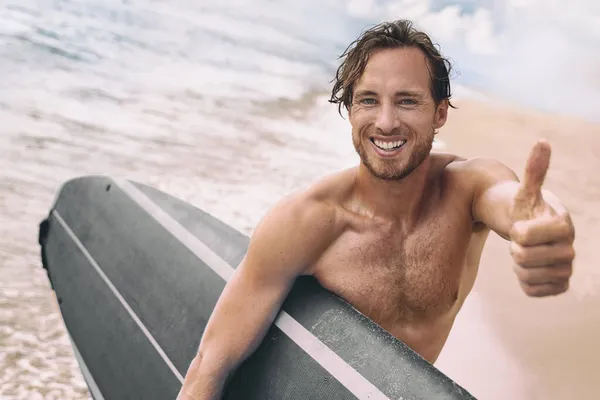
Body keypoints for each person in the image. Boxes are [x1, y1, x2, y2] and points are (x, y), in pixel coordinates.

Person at [177, 19, 575, 399]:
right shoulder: (307, 221)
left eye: (407, 101)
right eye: (369, 100)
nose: (386, 122)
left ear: (438, 114)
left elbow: (515, 202)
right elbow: (211, 363)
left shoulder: (466, 189)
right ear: (350, 110)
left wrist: (543, 223)